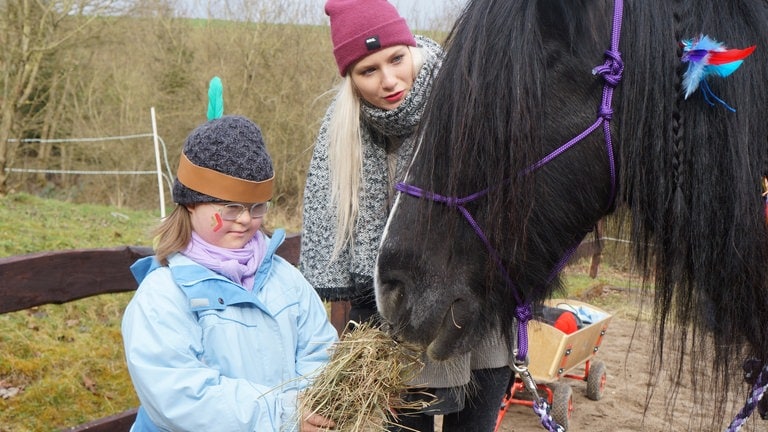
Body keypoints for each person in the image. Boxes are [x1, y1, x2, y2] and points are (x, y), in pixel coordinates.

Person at [299, 1, 513, 431]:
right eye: (368, 70)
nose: (389, 80)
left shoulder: (470, 95)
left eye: (396, 58)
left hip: (475, 311)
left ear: (411, 46)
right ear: (351, 78)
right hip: (396, 319)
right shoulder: (345, 130)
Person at [121, 107, 338, 431]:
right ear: (191, 203)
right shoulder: (163, 295)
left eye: (256, 207)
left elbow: (319, 350)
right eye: (231, 207)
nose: (246, 220)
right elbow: (180, 396)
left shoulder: (285, 280)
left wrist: (310, 405)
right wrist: (285, 415)